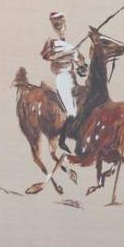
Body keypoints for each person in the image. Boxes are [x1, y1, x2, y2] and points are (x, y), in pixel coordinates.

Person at [40, 11, 85, 152]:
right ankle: (62, 140)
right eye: (56, 22)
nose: (59, 24)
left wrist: (82, 66)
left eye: (61, 21)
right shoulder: (51, 41)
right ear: (52, 24)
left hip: (72, 77)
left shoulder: (68, 42)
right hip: (62, 78)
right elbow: (47, 56)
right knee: (72, 111)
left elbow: (79, 61)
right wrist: (67, 53)